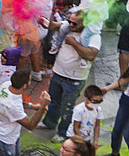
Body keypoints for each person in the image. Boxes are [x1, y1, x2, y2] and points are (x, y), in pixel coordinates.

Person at [41, 13, 101, 141]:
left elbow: (91, 55)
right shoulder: (68, 27)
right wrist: (44, 21)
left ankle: (62, 133)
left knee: (67, 108)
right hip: (58, 73)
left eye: (75, 23)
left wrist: (74, 43)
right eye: (70, 22)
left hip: (74, 80)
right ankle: (49, 122)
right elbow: (53, 25)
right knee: (53, 101)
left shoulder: (93, 36)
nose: (71, 25)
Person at [0, 68, 51, 156]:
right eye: (30, 80)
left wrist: (34, 106)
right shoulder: (13, 106)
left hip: (10, 134)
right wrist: (43, 106)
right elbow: (30, 125)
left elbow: (18, 102)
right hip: (5, 140)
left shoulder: (6, 86)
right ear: (24, 85)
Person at [65, 85, 103, 149]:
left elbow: (97, 126)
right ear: (86, 99)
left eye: (100, 101)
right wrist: (82, 143)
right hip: (74, 137)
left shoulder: (98, 109)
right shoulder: (79, 109)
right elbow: (76, 127)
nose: (97, 103)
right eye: (94, 101)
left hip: (87, 138)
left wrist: (95, 141)